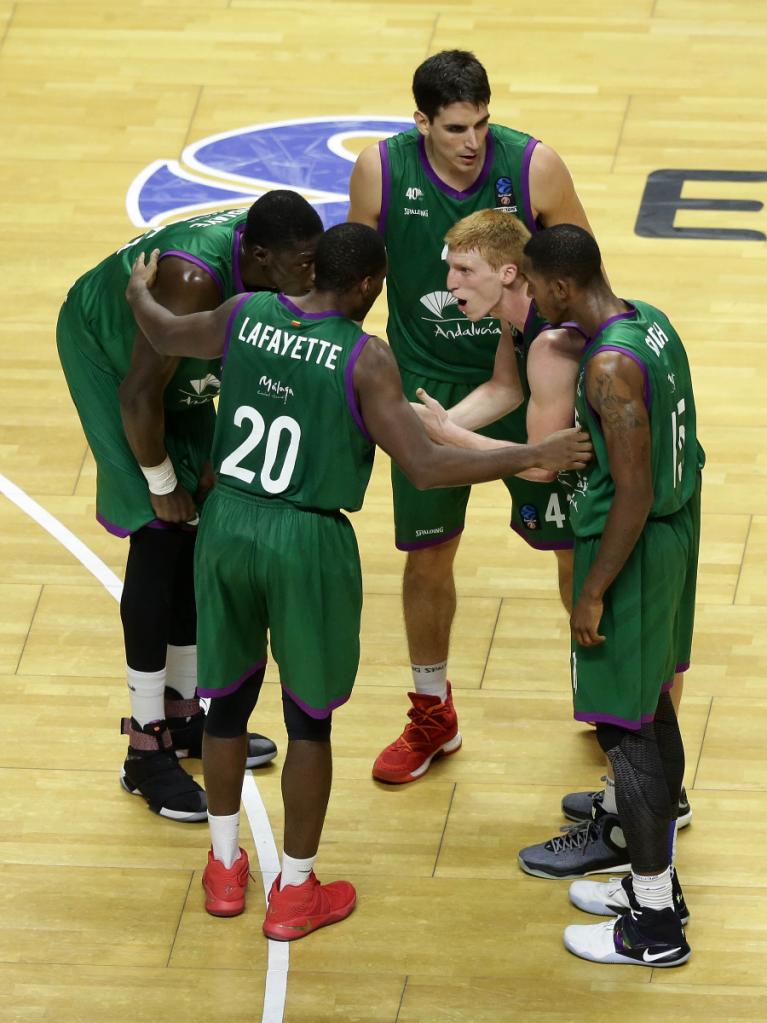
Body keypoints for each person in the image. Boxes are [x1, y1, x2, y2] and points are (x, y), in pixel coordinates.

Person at [124, 222, 592, 940]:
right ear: (371, 284)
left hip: (225, 528)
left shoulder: (248, 312)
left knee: (225, 705)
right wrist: (532, 453)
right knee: (307, 718)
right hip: (305, 538)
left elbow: (164, 330)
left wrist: (136, 291)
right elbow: (426, 467)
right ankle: (296, 892)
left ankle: (223, 871)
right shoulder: (365, 357)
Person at [347, 49, 599, 785]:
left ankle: (603, 691)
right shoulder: (381, 171)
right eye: (455, 127)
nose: (472, 141)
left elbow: (581, 275)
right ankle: (432, 710)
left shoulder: (533, 167)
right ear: (420, 120)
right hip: (427, 383)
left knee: (573, 551)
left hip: (531, 371)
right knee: (426, 559)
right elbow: (356, 283)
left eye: (482, 123)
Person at [415, 209, 692, 878]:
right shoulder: (592, 322)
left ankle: (628, 817)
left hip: (613, 520)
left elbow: (541, 463)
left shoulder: (557, 345)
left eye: (462, 269)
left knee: (616, 675)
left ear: (518, 275)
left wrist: (446, 440)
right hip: (662, 516)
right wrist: (429, 422)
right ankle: (646, 798)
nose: (447, 283)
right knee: (634, 671)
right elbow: (505, 391)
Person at [57, 192, 323, 822]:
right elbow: (140, 392)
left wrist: (216, 449)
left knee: (201, 526)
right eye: (304, 264)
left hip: (174, 370)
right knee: (158, 533)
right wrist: (158, 477)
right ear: (258, 256)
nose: (314, 276)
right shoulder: (190, 280)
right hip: (114, 361)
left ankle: (182, 716)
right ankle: (145, 749)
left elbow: (249, 366)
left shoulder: (273, 267)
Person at [516, 224, 703, 967]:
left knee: (624, 734)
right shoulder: (649, 322)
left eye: (532, 285)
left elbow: (630, 491)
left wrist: (590, 591)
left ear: (561, 287)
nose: (529, 297)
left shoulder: (607, 369)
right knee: (649, 708)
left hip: (633, 548)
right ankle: (654, 887)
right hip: (673, 533)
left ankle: (653, 926)